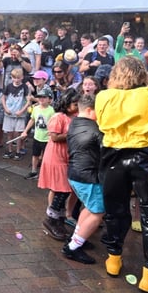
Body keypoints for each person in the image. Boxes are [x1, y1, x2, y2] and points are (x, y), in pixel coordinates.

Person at [96, 56, 148, 293]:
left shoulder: (104, 96)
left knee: (115, 210)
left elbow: (101, 124)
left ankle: (113, 260)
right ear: (143, 74)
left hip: (112, 157)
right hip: (146, 157)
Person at [62, 94, 104, 265]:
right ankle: (73, 248)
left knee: (88, 207)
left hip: (75, 174)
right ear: (89, 110)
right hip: (88, 177)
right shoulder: (94, 129)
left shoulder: (75, 123)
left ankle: (78, 237)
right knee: (97, 212)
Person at [38, 88, 80, 242]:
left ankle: (58, 220)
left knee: (64, 190)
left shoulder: (75, 117)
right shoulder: (59, 117)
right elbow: (54, 137)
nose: (77, 107)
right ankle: (51, 219)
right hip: (56, 156)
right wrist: (74, 134)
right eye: (75, 104)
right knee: (62, 190)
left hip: (67, 157)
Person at [21, 89, 56, 180]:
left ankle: (45, 174)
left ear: (50, 99)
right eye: (39, 97)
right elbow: (32, 120)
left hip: (47, 139)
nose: (41, 99)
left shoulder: (52, 111)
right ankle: (34, 171)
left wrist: (52, 132)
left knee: (46, 157)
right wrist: (25, 131)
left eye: (44, 97)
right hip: (37, 137)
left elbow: (55, 123)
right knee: (35, 155)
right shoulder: (35, 109)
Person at [1, 67, 31, 160]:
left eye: (18, 78)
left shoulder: (24, 87)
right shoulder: (9, 86)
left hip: (19, 114)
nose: (16, 80)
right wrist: (5, 108)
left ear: (22, 77)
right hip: (9, 113)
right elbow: (3, 98)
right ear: (12, 77)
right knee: (9, 132)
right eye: (14, 78)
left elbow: (28, 101)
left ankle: (18, 151)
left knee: (19, 134)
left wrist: (22, 111)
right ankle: (9, 150)